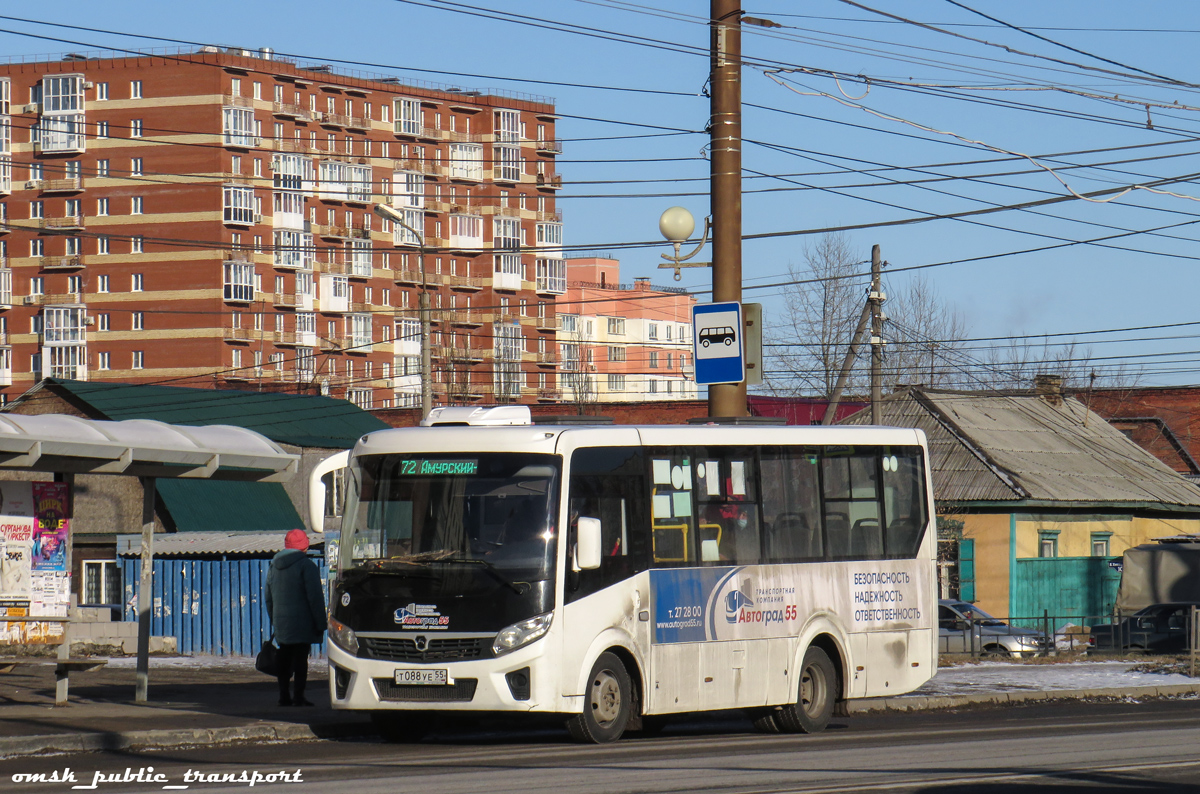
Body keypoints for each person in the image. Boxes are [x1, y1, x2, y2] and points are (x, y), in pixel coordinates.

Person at [265, 529, 326, 707]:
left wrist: (275, 619)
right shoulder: (307, 566)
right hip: (303, 622)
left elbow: (268, 598)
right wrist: (320, 622)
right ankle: (299, 696)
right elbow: (315, 597)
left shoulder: (274, 566)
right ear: (304, 546)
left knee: (283, 658)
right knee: (301, 660)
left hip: (282, 623)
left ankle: (283, 696)